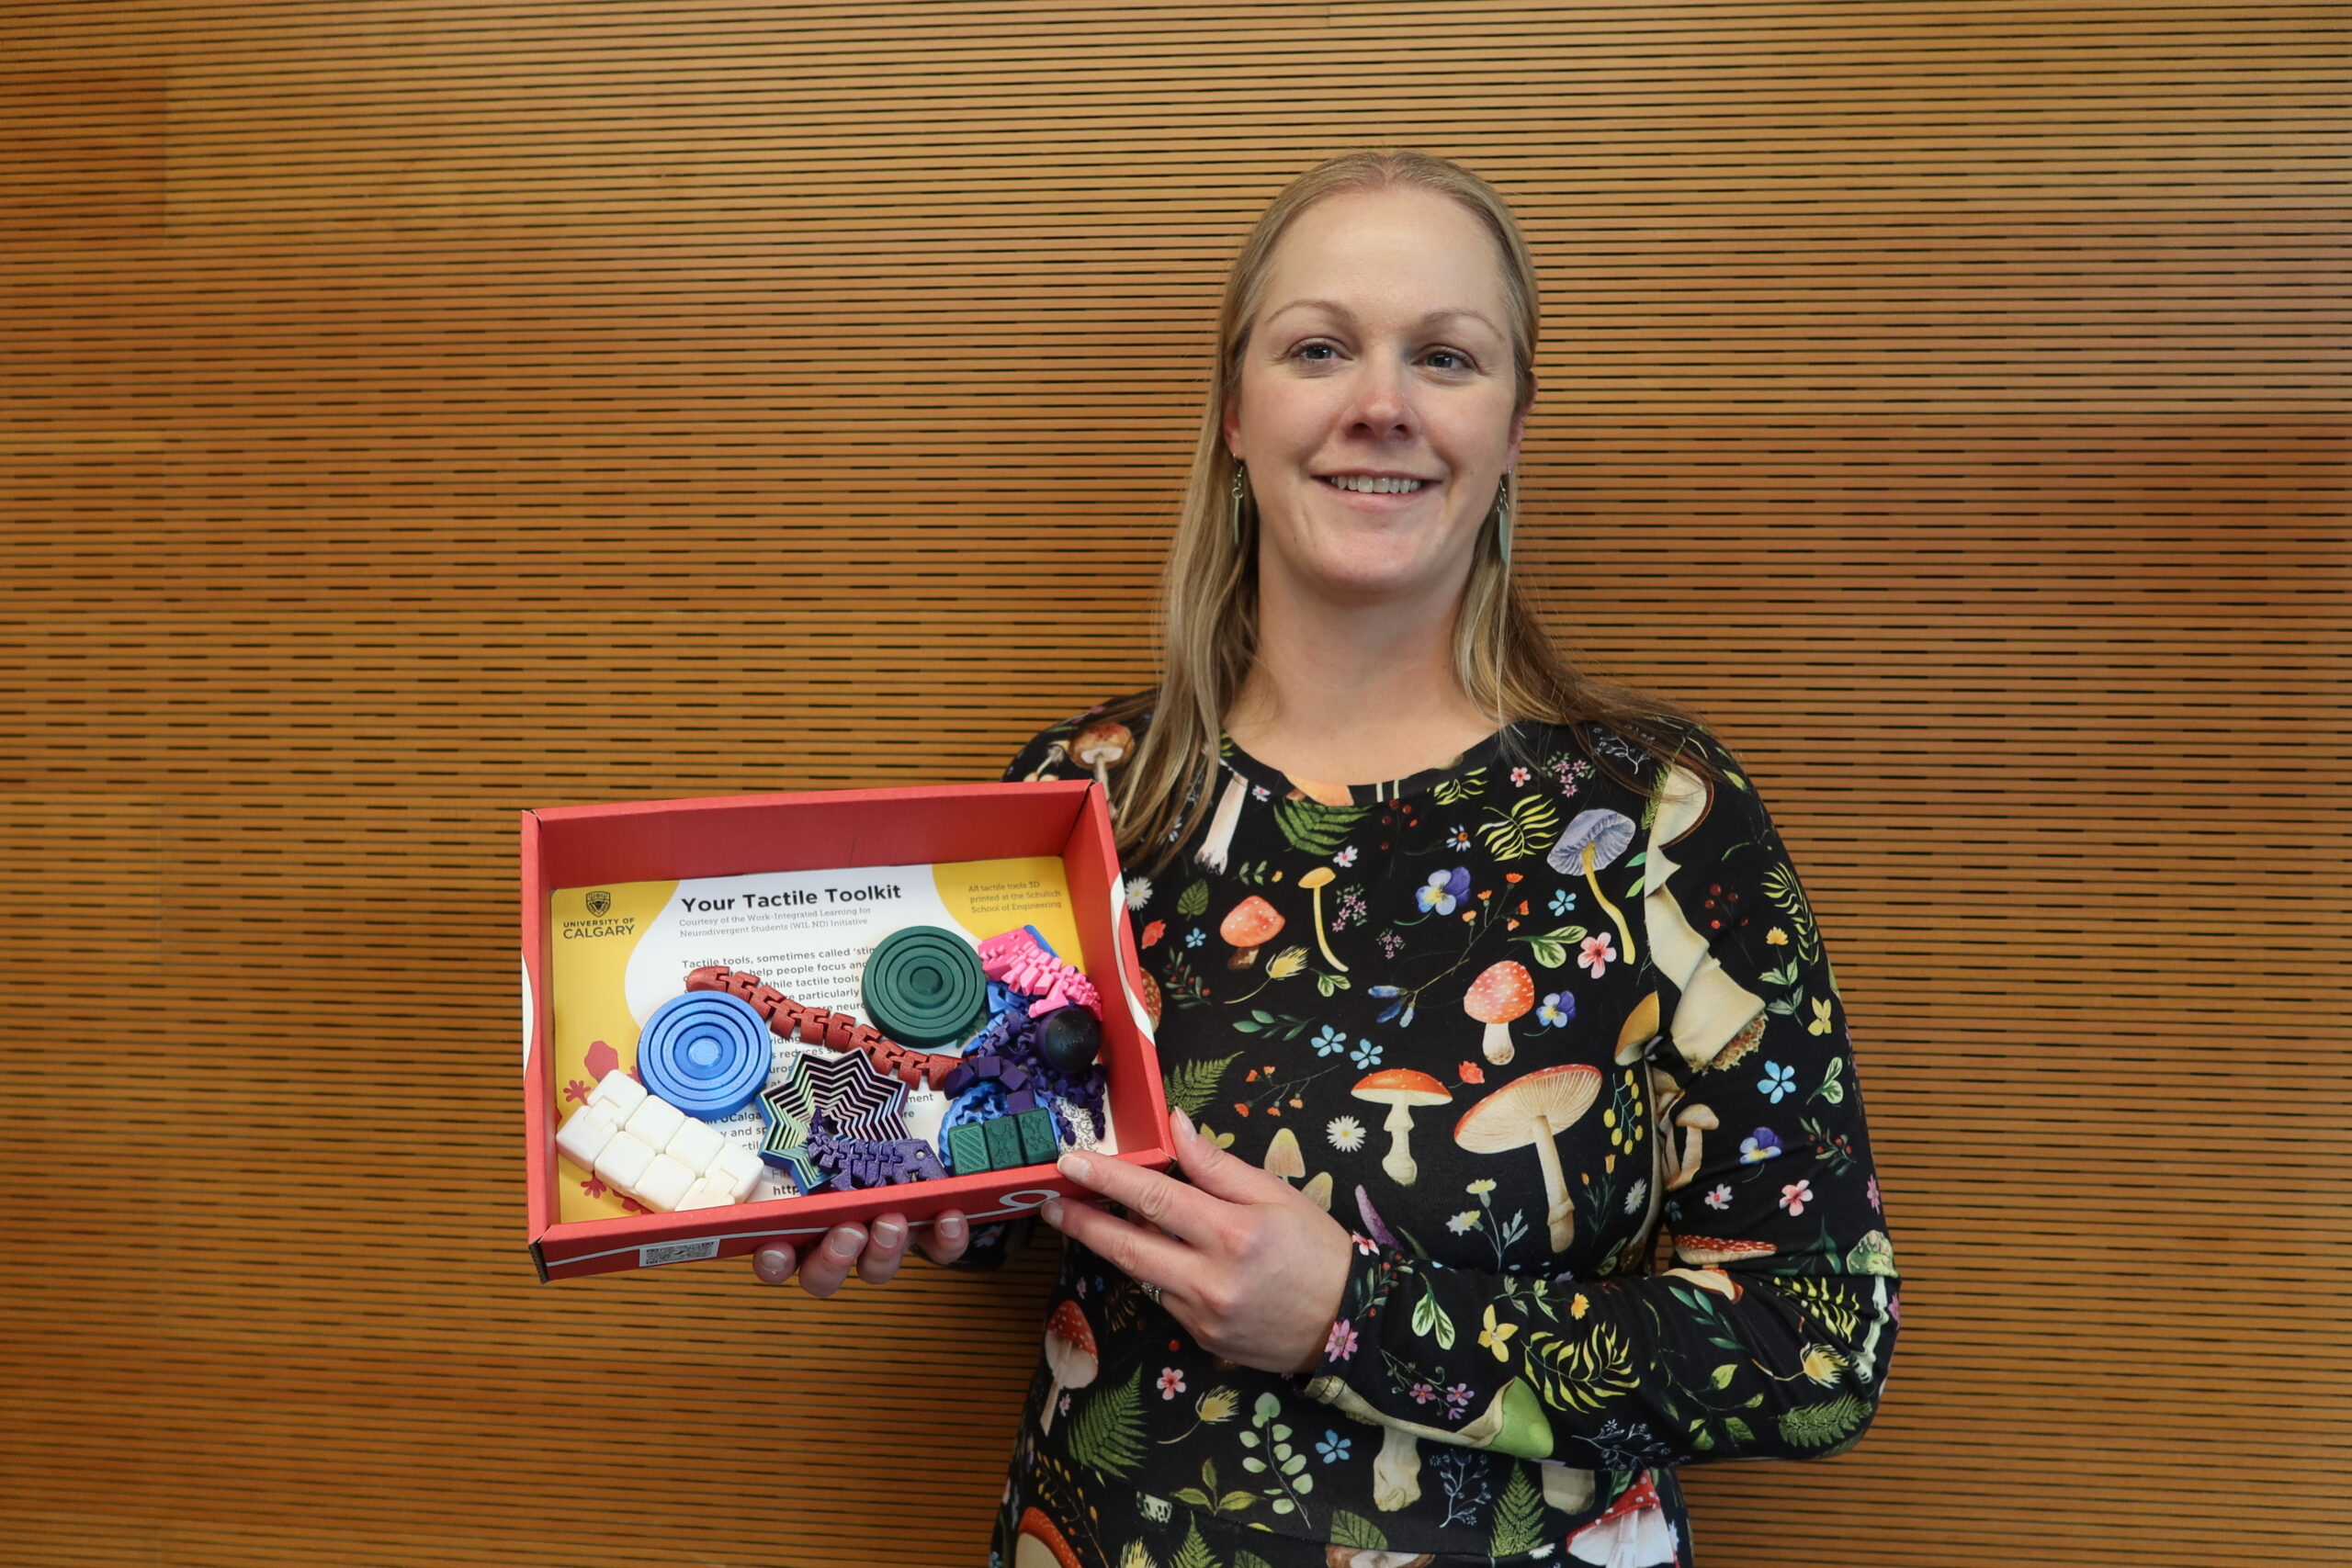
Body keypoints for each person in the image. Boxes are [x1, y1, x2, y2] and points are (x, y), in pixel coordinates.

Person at [754, 148, 1899, 1568]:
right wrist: (877, 1193)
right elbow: (1001, 1181)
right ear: (1236, 413)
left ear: (1515, 425)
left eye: (1447, 357)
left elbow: (1818, 1346)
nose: (1383, 405)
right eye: (1320, 348)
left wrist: (1356, 1318)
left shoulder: (1654, 820)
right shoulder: (1083, 799)